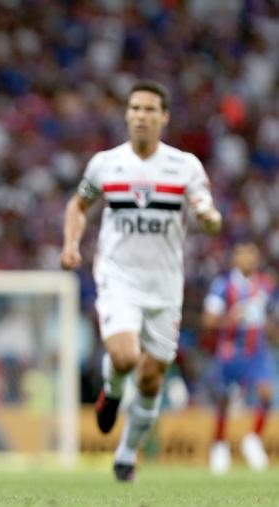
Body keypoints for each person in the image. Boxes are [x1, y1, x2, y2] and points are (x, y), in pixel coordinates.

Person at [60, 79, 222, 482]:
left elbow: (206, 206)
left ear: (164, 117)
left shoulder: (183, 166)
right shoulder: (106, 163)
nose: (141, 116)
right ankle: (113, 391)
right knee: (126, 357)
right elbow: (78, 204)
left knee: (152, 378)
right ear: (126, 114)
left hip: (166, 288)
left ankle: (127, 454)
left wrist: (210, 217)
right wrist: (71, 243)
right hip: (118, 278)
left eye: (150, 110)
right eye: (134, 108)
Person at [202, 242, 277, 474]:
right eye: (245, 255)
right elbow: (208, 321)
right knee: (225, 400)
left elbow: (272, 316)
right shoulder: (223, 286)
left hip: (257, 352)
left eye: (253, 255)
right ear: (236, 259)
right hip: (230, 350)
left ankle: (253, 439)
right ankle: (220, 444)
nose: (250, 260)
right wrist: (230, 317)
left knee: (266, 392)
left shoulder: (265, 285)